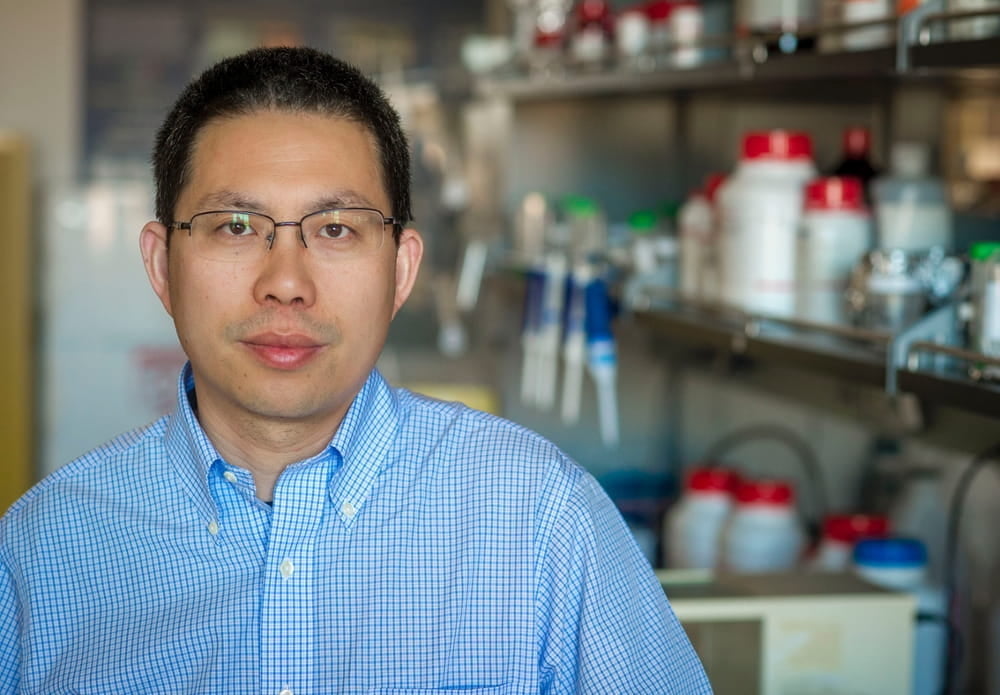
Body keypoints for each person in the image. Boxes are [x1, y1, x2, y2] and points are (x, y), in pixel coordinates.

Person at [0, 46, 711, 694]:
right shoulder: (42, 550)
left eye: (335, 229)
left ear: (401, 269)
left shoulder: (539, 518)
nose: (286, 283)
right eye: (236, 227)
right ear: (162, 265)